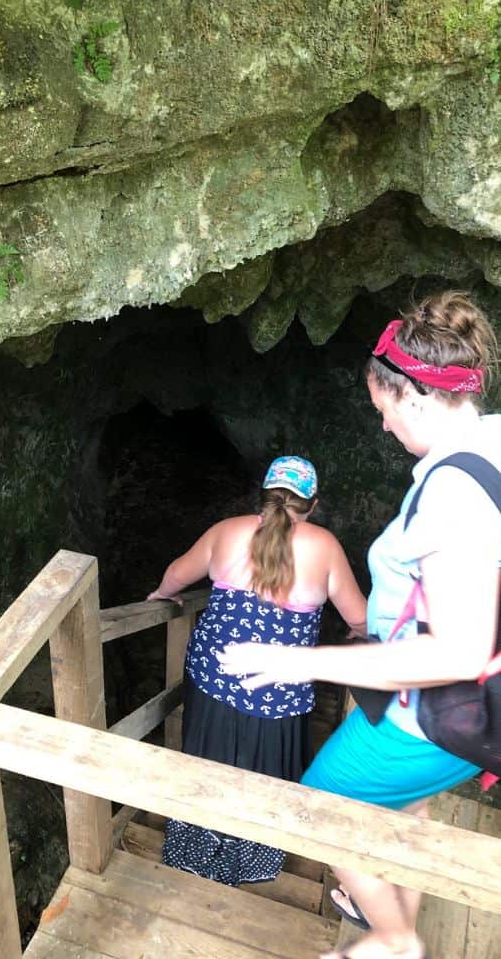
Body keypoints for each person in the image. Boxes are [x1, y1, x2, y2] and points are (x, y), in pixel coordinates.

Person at [218, 290, 500, 959]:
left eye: (382, 410)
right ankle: (387, 903)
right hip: (425, 700)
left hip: (427, 707)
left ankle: (395, 940)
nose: (381, 427)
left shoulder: (454, 493)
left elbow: (456, 652)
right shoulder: (491, 437)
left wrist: (297, 661)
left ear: (415, 398)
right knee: (400, 802)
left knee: (320, 807)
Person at [147, 455, 366, 886]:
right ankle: (252, 858)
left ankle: (195, 846)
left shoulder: (225, 531)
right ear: (313, 503)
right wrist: (359, 635)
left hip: (213, 680)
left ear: (262, 495)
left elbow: (176, 574)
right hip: (279, 691)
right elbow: (358, 616)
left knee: (206, 762)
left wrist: (161, 594)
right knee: (266, 772)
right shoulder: (324, 546)